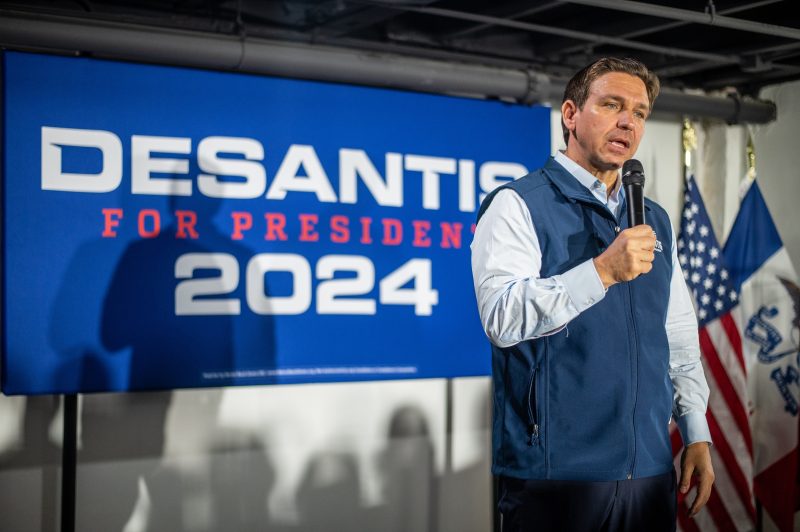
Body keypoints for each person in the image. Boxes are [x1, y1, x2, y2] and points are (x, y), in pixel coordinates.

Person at [471, 57, 715, 531]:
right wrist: (601, 272)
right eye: (611, 105)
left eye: (639, 112)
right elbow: (502, 317)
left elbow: (678, 336)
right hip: (557, 475)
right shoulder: (517, 204)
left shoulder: (653, 219)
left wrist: (696, 431)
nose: (628, 121)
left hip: (650, 470)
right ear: (570, 114)